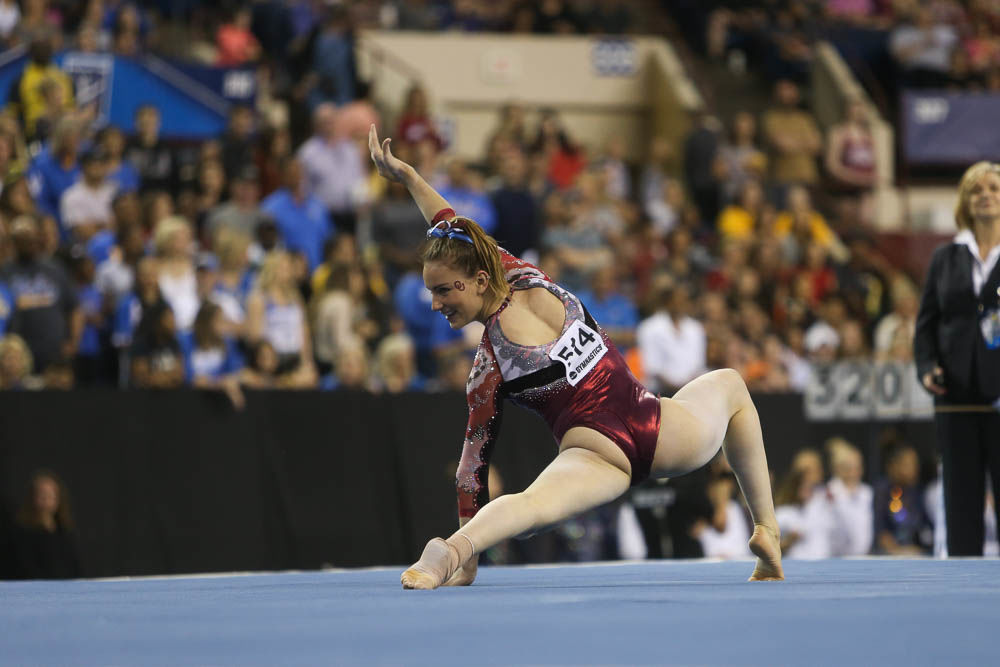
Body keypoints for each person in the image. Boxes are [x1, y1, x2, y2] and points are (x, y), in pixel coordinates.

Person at [368, 125, 783, 589]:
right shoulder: (524, 273)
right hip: (659, 428)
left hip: (595, 456)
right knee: (729, 385)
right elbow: (454, 228)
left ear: (480, 280)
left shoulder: (490, 366)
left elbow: (472, 470)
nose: (436, 303)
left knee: (530, 506)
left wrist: (468, 559)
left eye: (444, 290)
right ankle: (767, 529)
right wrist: (408, 178)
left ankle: (450, 550)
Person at [914, 161, 1000, 557]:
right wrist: (927, 366)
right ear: (965, 201)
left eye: (994, 188)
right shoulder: (945, 257)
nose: (986, 195)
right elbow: (926, 324)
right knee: (961, 502)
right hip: (956, 397)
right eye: (976, 189)